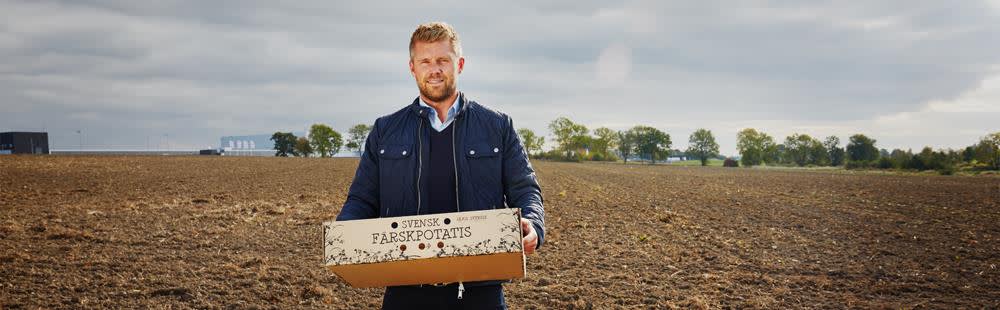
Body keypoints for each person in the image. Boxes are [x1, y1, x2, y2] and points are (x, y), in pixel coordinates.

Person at [335, 22, 545, 309]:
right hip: (405, 291)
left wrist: (533, 225)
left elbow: (525, 190)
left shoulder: (497, 126)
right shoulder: (386, 130)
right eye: (425, 61)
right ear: (412, 68)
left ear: (459, 64)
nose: (434, 69)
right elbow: (362, 199)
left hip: (480, 290)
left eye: (442, 60)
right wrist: (343, 235)